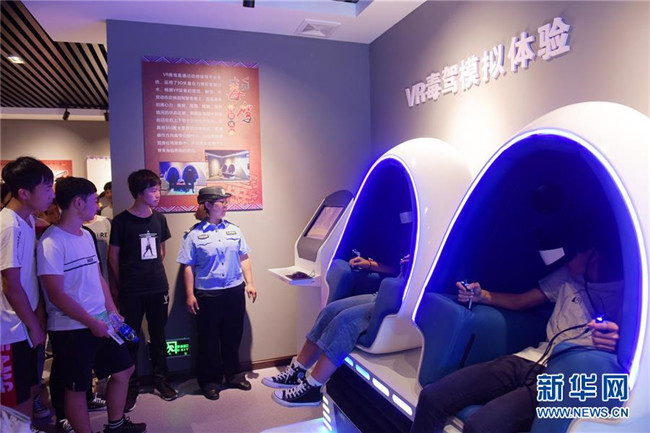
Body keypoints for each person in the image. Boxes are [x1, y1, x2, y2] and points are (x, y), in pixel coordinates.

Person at [410, 224, 623, 433]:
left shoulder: (626, 296)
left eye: (573, 255)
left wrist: (619, 345)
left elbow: (632, 360)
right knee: (432, 397)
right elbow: (520, 301)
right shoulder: (565, 277)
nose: (566, 261)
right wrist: (481, 296)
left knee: (480, 426)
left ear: (594, 255)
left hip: (560, 380)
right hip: (529, 359)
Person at [37, 177, 146, 433]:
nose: (97, 205)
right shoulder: (51, 243)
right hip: (72, 327)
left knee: (124, 369)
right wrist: (91, 322)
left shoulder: (86, 235)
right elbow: (56, 295)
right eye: (93, 200)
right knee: (77, 387)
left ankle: (116, 424)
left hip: (101, 320)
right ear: (78, 202)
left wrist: (112, 311)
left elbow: (97, 277)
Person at [263, 255, 407, 407]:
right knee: (330, 310)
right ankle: (297, 371)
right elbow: (396, 268)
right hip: (383, 293)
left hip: (401, 300)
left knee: (345, 320)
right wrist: (370, 264)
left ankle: (312, 388)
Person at [177, 186, 257, 400]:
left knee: (233, 335)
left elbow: (244, 257)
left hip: (234, 290)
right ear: (208, 205)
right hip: (208, 294)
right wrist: (189, 295)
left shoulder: (234, 230)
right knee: (208, 339)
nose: (225, 206)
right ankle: (210, 381)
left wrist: (250, 283)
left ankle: (234, 374)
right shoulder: (194, 235)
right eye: (222, 202)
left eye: (225, 202)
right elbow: (188, 266)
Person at [108, 169, 177, 411]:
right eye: (153, 190)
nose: (158, 194)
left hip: (158, 286)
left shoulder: (159, 219)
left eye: (158, 190)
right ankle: (131, 386)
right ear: (139, 193)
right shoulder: (121, 221)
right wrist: (120, 284)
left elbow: (162, 251)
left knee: (159, 335)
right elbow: (113, 256)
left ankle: (161, 380)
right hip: (131, 289)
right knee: (131, 338)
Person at [0, 157, 54, 421]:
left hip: (26, 322)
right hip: (10, 329)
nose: (52, 194)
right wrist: (34, 326)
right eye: (47, 188)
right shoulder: (8, 225)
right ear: (24, 193)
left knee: (29, 390)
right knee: (15, 400)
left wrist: (38, 316)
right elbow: (11, 285)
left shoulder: (28, 220)